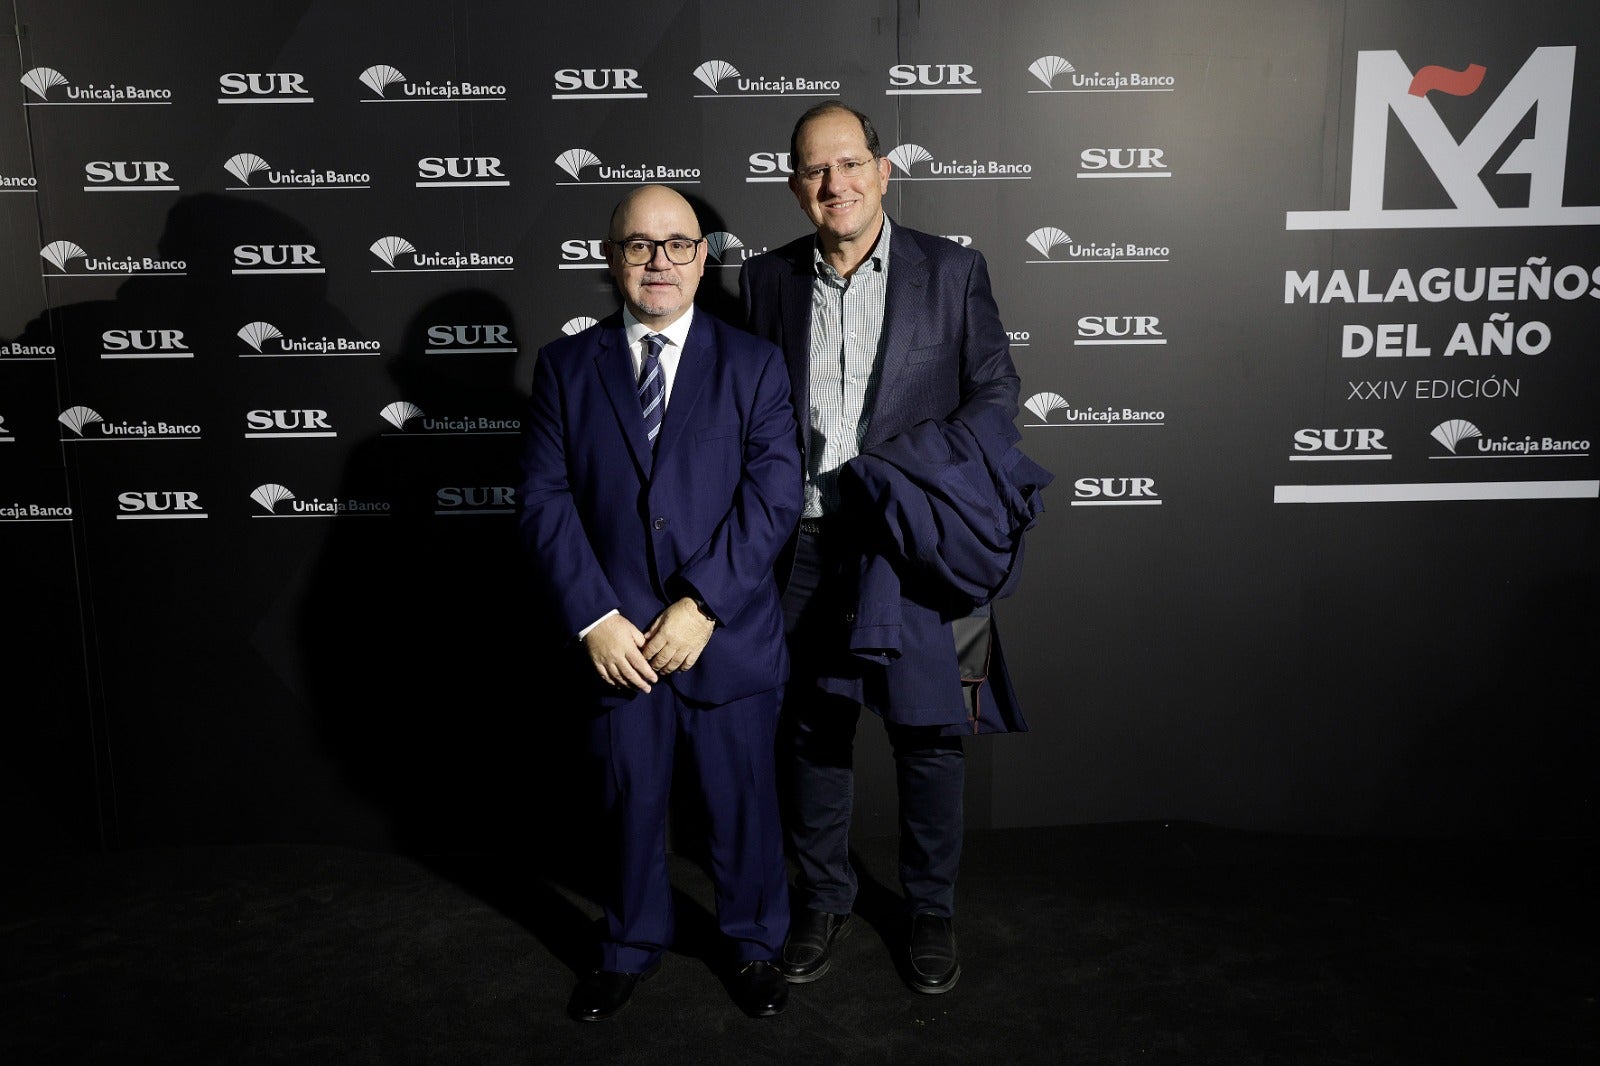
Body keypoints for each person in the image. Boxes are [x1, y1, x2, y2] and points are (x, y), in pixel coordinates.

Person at [740, 102, 1044, 995]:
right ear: (797, 187)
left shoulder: (952, 272)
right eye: (813, 170)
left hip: (914, 546)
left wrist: (897, 476)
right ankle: (824, 896)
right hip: (800, 547)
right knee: (812, 730)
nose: (833, 184)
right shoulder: (765, 283)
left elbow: (994, 397)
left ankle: (931, 908)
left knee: (930, 735)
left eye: (848, 163)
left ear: (883, 169)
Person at [518, 185, 801, 1021]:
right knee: (627, 809)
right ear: (611, 259)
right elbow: (544, 498)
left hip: (725, 637)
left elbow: (776, 493)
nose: (658, 262)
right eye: (638, 245)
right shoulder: (567, 366)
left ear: (703, 258)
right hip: (618, 645)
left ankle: (753, 946)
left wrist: (702, 604)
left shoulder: (753, 363)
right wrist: (596, 617)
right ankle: (629, 945)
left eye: (677, 244)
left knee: (744, 809)